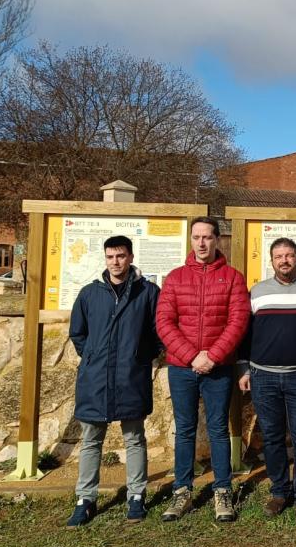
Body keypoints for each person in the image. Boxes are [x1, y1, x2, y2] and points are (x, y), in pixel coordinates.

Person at [156, 216, 250, 523]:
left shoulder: (233, 278)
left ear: (217, 239)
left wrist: (214, 355)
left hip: (218, 368)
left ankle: (222, 491)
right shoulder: (175, 278)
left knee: (219, 430)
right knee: (184, 430)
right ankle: (182, 491)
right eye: (196, 237)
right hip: (182, 367)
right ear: (191, 240)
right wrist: (191, 356)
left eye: (207, 237)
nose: (201, 243)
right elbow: (164, 322)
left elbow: (238, 321)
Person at [66, 235, 162, 527]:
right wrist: (94, 356)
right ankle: (85, 499)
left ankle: (136, 495)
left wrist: (138, 357)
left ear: (130, 257)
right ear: (105, 259)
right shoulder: (89, 293)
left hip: (130, 377)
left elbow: (158, 332)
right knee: (91, 440)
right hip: (95, 378)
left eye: (120, 256)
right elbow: (78, 333)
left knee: (134, 438)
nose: (115, 262)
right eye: (110, 257)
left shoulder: (147, 292)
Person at [238, 238, 296, 525]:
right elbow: (245, 335)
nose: (284, 260)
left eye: (289, 255)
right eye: (278, 256)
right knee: (273, 437)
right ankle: (279, 491)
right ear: (271, 260)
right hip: (263, 376)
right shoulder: (258, 293)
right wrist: (245, 369)